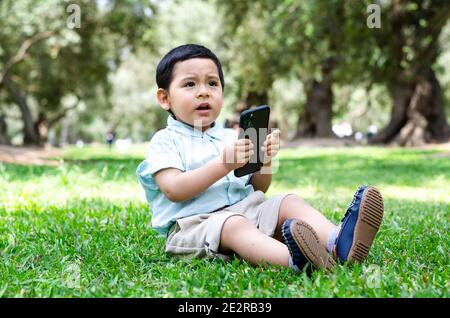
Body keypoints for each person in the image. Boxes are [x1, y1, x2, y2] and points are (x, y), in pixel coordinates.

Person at [136, 44, 384, 273]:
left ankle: (338, 243)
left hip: (246, 211)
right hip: (194, 226)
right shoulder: (165, 141)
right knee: (233, 224)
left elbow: (258, 187)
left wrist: (264, 160)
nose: (204, 92)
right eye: (190, 84)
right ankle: (297, 261)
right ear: (164, 98)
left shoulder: (231, 136)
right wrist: (224, 164)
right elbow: (174, 189)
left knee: (288, 201)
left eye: (212, 84)